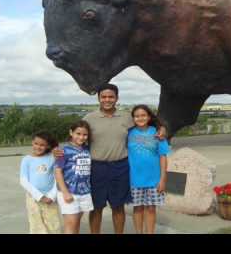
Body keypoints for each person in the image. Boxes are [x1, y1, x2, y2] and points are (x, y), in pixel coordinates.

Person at [53, 83, 167, 234]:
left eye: (111, 97)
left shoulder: (127, 118)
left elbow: (147, 122)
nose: (107, 100)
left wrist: (162, 128)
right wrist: (58, 150)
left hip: (120, 167)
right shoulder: (89, 118)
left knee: (118, 206)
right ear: (99, 98)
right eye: (104, 97)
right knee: (97, 207)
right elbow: (77, 136)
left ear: (117, 98)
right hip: (96, 167)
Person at [128, 104, 171, 234]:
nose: (140, 118)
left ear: (149, 117)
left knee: (151, 209)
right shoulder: (128, 133)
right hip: (134, 179)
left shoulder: (157, 133)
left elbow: (163, 157)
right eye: (137, 116)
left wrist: (163, 179)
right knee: (137, 209)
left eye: (143, 115)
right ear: (133, 118)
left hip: (154, 179)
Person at [55, 120, 94, 234]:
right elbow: (58, 171)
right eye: (78, 133)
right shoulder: (63, 151)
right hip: (69, 192)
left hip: (84, 191)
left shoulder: (87, 149)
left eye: (85, 134)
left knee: (76, 223)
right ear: (71, 132)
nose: (81, 137)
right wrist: (65, 192)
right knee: (70, 226)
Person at [20, 131, 61, 234]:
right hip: (33, 198)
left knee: (53, 225)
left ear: (48, 146)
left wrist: (52, 196)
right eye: (36, 143)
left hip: (50, 198)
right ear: (32, 143)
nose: (38, 147)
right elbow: (23, 180)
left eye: (42, 145)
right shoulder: (27, 159)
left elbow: (58, 177)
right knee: (36, 226)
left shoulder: (52, 157)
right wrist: (40, 196)